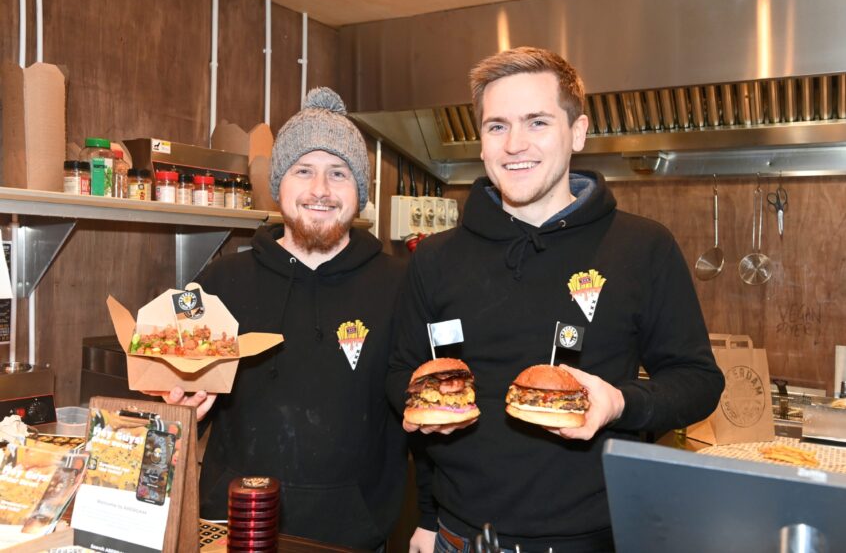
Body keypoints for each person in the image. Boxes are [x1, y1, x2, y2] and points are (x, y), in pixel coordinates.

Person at [386, 47, 725, 552]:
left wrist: (618, 403)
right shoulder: (434, 259)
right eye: (497, 126)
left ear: (578, 133)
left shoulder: (642, 248)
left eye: (537, 122)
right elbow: (401, 374)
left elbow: (699, 382)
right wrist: (429, 517)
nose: (514, 144)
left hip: (595, 538)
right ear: (481, 142)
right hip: (460, 537)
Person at [156, 87, 407, 550]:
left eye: (338, 173)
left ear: (361, 193)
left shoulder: (400, 286)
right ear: (278, 185)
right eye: (303, 171)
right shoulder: (220, 281)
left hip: (353, 535)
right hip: (235, 529)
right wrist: (177, 400)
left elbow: (425, 412)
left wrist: (429, 519)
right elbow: (173, 387)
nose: (320, 190)